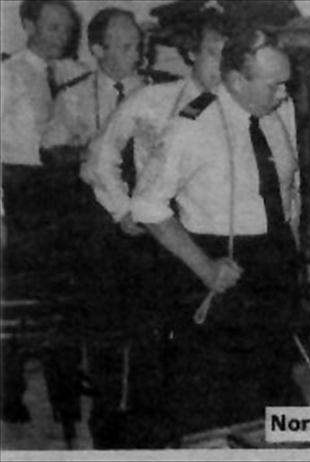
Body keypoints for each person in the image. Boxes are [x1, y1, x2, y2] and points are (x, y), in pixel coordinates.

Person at [131, 27, 302, 439]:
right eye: (273, 84)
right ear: (237, 80)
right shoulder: (193, 123)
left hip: (273, 259)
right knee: (216, 403)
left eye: (285, 83)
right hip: (219, 264)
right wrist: (205, 268)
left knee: (274, 388)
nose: (282, 93)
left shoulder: (278, 112)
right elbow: (147, 206)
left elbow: (289, 190)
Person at [77, 8, 229, 449]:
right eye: (213, 54)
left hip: (213, 236)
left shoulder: (242, 110)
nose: (220, 66)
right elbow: (99, 160)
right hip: (157, 236)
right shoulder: (153, 99)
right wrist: (123, 209)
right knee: (147, 345)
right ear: (193, 53)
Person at [0, 0, 86, 424]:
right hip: (21, 195)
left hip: (65, 195)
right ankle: (7, 390)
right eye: (52, 27)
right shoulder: (8, 74)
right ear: (28, 24)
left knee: (63, 302)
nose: (61, 37)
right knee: (25, 301)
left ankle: (65, 396)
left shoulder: (74, 75)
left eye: (66, 29)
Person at [43, 8, 143, 149]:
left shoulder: (153, 89)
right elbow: (51, 149)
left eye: (138, 46)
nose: (137, 57)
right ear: (99, 50)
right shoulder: (72, 97)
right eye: (126, 48)